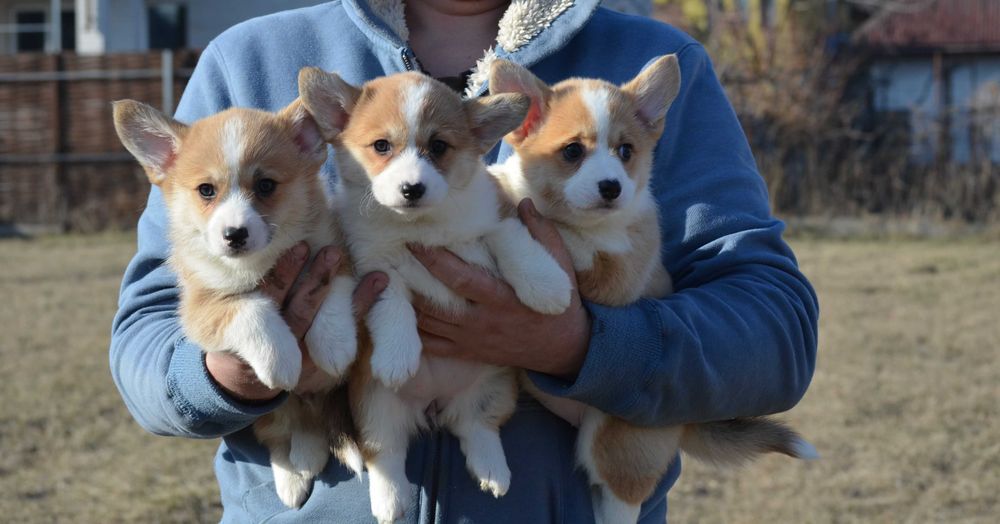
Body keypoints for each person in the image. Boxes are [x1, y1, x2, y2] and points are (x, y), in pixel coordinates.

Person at [109, 1, 819, 522]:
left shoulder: (652, 63)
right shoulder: (248, 57)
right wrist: (239, 371)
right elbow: (144, 345)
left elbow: (775, 335)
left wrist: (579, 346)